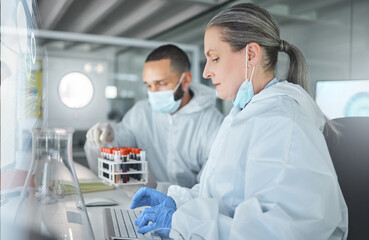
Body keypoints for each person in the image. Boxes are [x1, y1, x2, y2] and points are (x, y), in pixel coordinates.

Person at [130, 3, 348, 239]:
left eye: (214, 58)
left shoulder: (282, 122)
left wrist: (183, 223)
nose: (206, 72)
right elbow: (223, 197)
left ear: (251, 55)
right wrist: (178, 202)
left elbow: (283, 231)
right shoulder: (243, 115)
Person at [85, 44, 224, 192]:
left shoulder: (212, 123)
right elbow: (110, 159)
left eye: (161, 84)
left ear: (185, 80)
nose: (153, 93)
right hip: (140, 205)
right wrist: (102, 140)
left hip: (189, 212)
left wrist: (158, 189)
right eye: (149, 86)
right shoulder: (141, 112)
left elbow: (209, 190)